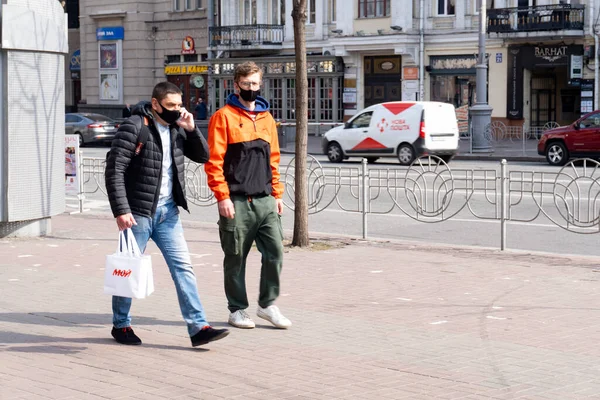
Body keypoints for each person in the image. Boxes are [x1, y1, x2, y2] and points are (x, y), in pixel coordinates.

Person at [105, 82, 229, 347]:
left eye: (179, 105)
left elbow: (204, 157)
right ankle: (121, 324)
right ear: (155, 103)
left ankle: (198, 328)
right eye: (170, 106)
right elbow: (114, 169)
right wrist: (121, 210)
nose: (176, 110)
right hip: (137, 213)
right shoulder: (135, 125)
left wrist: (192, 129)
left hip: (168, 213)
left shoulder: (177, 128)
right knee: (128, 270)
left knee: (183, 267)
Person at [204, 61, 291, 330]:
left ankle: (267, 305)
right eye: (246, 84)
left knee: (276, 252)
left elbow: (273, 159)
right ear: (236, 84)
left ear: (260, 84)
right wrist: (222, 197)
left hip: (265, 199)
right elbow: (214, 162)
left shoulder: (267, 118)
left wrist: (277, 193)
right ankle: (237, 309)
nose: (251, 88)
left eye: (255, 84)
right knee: (235, 257)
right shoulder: (224, 116)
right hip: (237, 200)